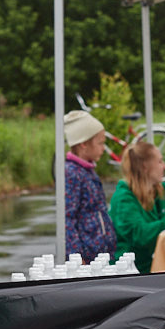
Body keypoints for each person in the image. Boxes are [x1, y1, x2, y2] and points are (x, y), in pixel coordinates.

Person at [108, 140, 165, 273]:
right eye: (159, 161)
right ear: (145, 166)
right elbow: (140, 235)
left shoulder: (158, 189)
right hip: (130, 272)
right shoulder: (124, 198)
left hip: (152, 265)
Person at [62, 109, 117, 261]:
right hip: (86, 258)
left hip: (99, 254)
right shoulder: (72, 173)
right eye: (100, 143)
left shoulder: (88, 170)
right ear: (84, 144)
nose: (103, 148)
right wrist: (77, 258)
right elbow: (67, 219)